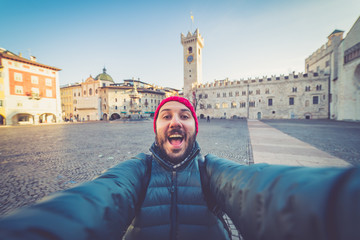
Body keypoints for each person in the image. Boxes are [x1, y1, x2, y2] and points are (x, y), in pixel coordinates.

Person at [0, 96, 360, 240]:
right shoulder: (138, 170)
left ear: (194, 127)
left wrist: (337, 203)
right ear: (156, 127)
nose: (175, 122)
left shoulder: (209, 170)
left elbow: (257, 189)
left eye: (184, 115)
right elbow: (101, 198)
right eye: (166, 116)